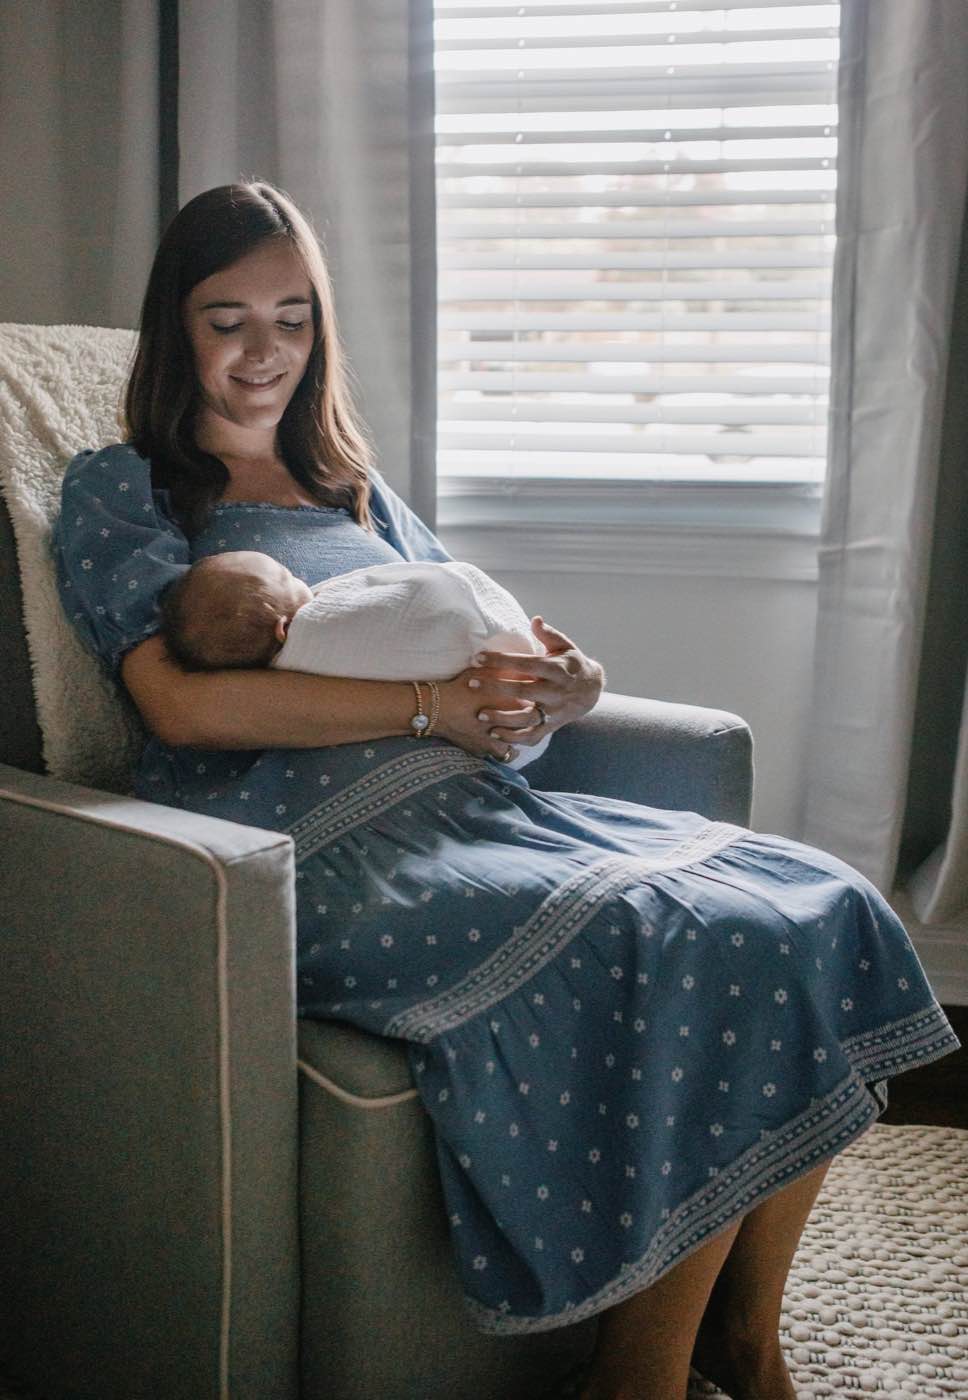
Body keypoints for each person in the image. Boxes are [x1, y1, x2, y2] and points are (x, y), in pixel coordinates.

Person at [54, 181, 959, 1400]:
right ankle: (634, 1377)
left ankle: (741, 1338)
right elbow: (182, 703)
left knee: (815, 898)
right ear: (178, 327)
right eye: (227, 319)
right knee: (683, 936)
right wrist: (426, 710)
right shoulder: (125, 489)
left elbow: (479, 631)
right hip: (311, 847)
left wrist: (567, 686)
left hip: (476, 812)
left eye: (291, 317)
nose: (262, 352)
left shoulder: (355, 491)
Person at [155, 550, 553, 769]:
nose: (302, 581)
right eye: (289, 578)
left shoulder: (361, 485)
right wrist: (438, 707)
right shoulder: (135, 489)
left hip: (485, 780)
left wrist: (569, 683)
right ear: (284, 628)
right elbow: (180, 710)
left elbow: (437, 583)